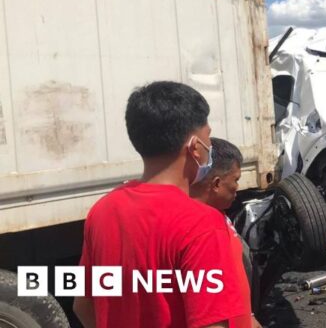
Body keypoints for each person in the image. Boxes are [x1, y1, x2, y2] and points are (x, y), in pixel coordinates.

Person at [73, 81, 252, 328]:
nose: (210, 146)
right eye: (208, 137)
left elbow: (83, 306)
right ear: (195, 147)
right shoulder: (202, 224)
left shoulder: (103, 210)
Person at [190, 137, 262, 326]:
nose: (238, 188)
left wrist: (249, 317)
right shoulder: (202, 233)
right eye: (236, 180)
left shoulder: (219, 215)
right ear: (216, 184)